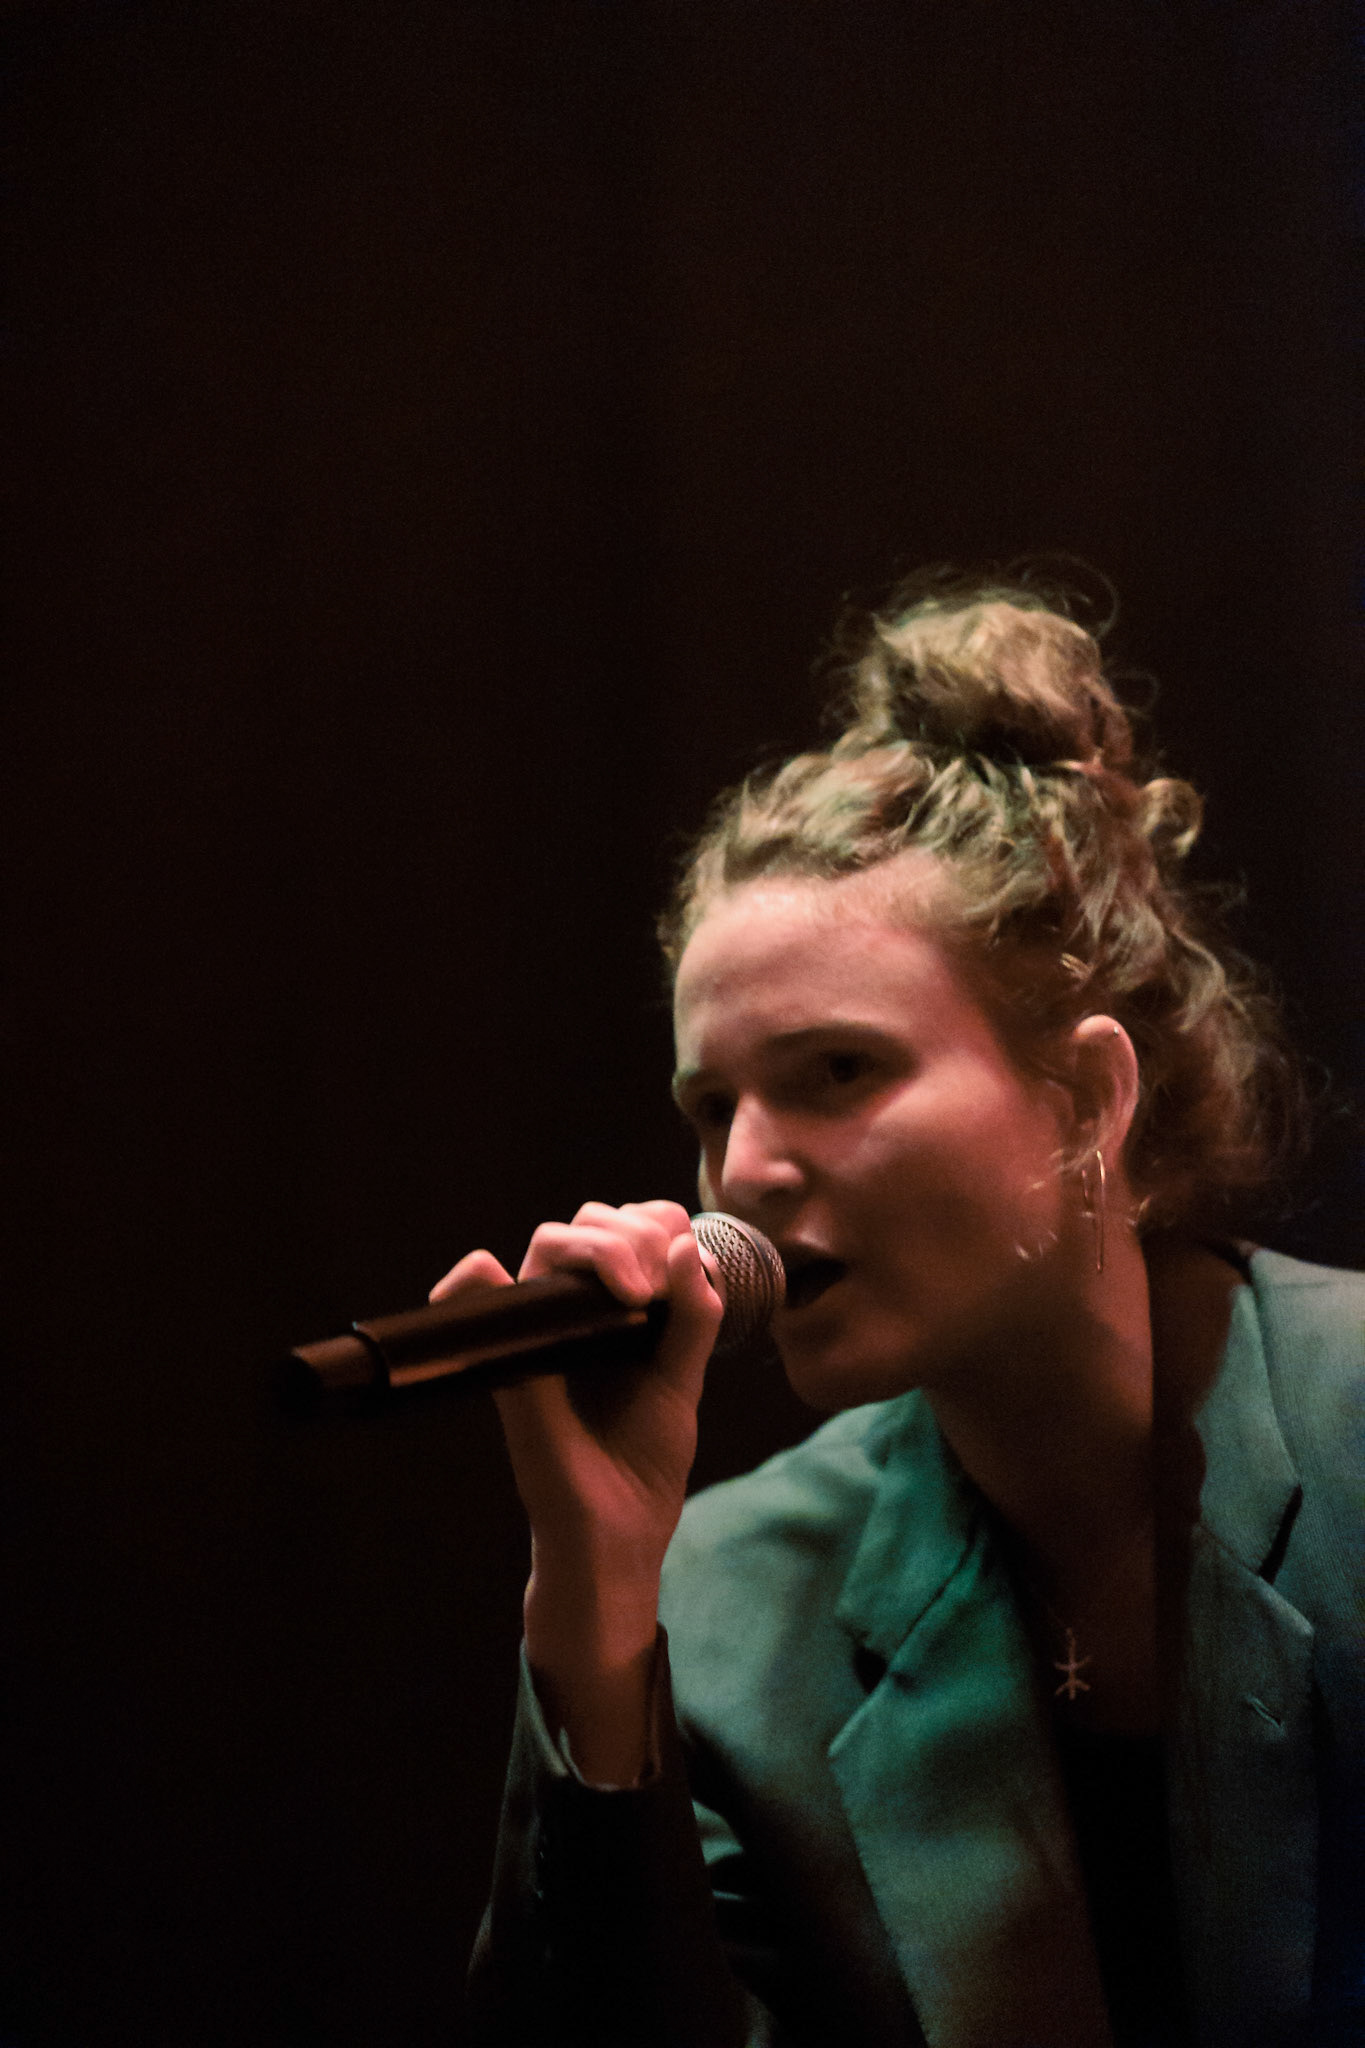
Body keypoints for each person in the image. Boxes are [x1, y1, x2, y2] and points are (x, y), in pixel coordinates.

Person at [445, 574, 1363, 2048]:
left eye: (837, 1073)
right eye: (711, 1106)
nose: (739, 1171)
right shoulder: (728, 1598)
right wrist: (599, 1605)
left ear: (1087, 1100)